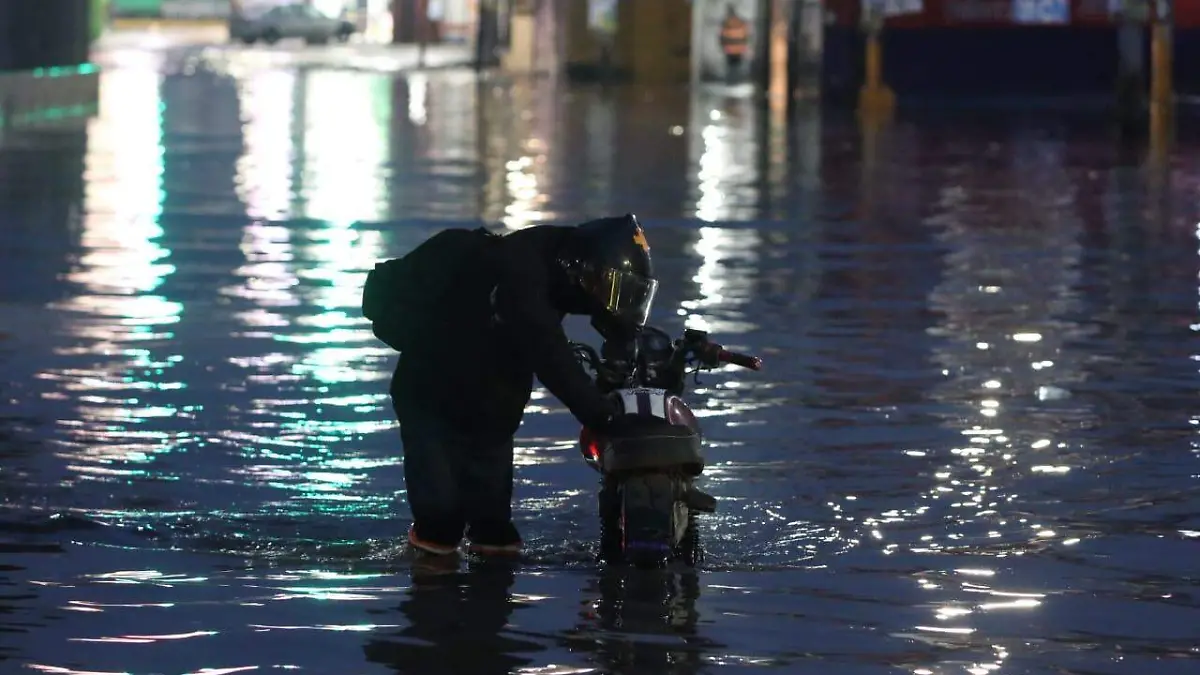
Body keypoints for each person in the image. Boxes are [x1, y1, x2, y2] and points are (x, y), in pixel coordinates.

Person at [361, 214, 658, 558]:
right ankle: (431, 596)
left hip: (494, 407)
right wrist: (604, 417)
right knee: (439, 524)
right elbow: (548, 352)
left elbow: (610, 320)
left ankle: (487, 602)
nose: (609, 298)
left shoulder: (561, 258)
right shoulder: (521, 271)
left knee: (495, 534)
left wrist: (627, 357)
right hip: (432, 401)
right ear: (582, 271)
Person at [719, 4, 750, 81]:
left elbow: (722, 36)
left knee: (732, 67)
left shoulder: (726, 22)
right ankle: (736, 79)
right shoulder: (740, 22)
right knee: (736, 67)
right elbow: (746, 36)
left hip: (731, 49)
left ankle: (733, 79)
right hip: (737, 48)